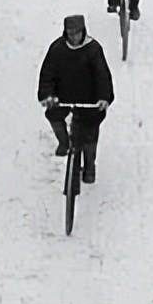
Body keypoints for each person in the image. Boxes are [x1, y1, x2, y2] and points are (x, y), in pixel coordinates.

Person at [37, 15, 114, 183]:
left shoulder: (93, 49)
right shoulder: (57, 49)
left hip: (89, 99)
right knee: (54, 116)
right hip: (63, 96)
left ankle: (89, 166)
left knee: (90, 133)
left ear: (83, 32)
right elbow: (47, 75)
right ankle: (64, 142)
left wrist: (103, 98)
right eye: (70, 33)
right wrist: (47, 95)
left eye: (77, 33)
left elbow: (102, 76)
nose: (74, 37)